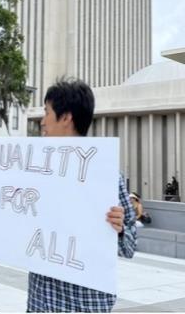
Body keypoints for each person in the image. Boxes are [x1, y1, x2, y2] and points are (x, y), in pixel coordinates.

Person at [27, 78, 136, 312]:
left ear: (66, 117)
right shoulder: (33, 172)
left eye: (47, 112)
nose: (42, 121)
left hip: (83, 305)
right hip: (40, 302)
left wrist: (119, 229)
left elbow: (129, 247)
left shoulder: (105, 175)